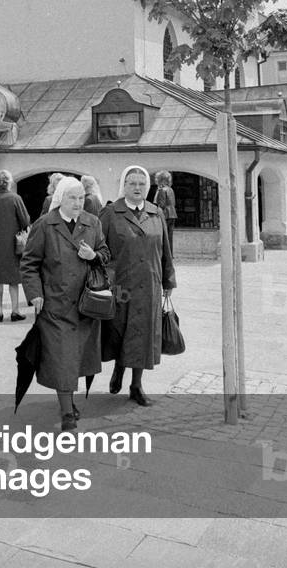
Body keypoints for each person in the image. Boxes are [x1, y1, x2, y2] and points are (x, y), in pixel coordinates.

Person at [21, 176, 110, 431]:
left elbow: (106, 253)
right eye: (72, 197)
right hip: (55, 305)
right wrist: (35, 294)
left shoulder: (92, 223)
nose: (78, 202)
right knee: (62, 358)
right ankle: (67, 412)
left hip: (85, 304)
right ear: (60, 198)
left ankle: (68, 401)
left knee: (75, 358)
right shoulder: (45, 225)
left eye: (81, 197)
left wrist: (93, 255)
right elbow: (29, 263)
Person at [100, 165, 176, 405]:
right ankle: (119, 370)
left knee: (143, 336)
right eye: (132, 183)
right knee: (121, 331)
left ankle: (136, 385)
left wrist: (168, 279)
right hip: (121, 286)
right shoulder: (111, 214)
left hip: (149, 285)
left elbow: (165, 249)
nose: (137, 188)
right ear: (124, 186)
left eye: (142, 184)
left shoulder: (156, 213)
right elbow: (99, 249)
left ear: (148, 187)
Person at [0, 169, 30, 322]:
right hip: (12, 244)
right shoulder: (15, 198)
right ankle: (15, 310)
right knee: (13, 279)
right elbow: (25, 220)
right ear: (9, 182)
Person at [154, 170, 178, 256]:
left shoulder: (161, 190)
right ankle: (170, 255)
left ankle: (164, 255)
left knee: (163, 237)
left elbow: (161, 205)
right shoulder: (170, 189)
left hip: (165, 215)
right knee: (169, 237)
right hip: (172, 215)